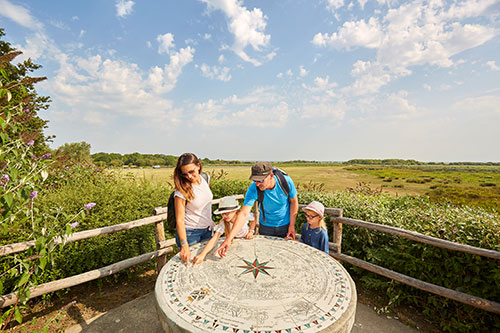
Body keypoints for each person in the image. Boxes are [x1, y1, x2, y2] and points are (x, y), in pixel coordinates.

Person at [216, 161, 298, 258]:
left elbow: (294, 202)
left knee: (284, 257)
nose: (258, 184)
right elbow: (243, 214)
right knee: (265, 255)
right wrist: (228, 239)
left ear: (271, 175)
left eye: (261, 180)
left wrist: (292, 226)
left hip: (285, 226)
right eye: (255, 181)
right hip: (265, 227)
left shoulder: (286, 181)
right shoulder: (253, 188)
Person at [173, 153, 214, 265]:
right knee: (189, 268)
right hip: (190, 234)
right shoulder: (181, 191)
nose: (189, 176)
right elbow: (180, 220)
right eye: (185, 174)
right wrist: (184, 244)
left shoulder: (205, 179)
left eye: (191, 172)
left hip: (208, 230)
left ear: (198, 166)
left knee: (204, 264)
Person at [192, 196, 256, 265]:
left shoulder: (242, 216)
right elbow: (215, 238)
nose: (224, 216)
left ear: (235, 211)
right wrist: (202, 255)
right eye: (222, 213)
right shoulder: (223, 223)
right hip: (233, 242)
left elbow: (254, 217)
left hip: (246, 239)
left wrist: (251, 231)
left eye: (227, 213)